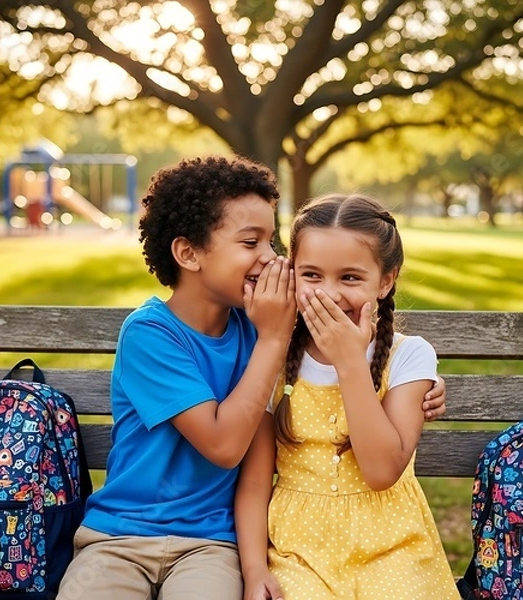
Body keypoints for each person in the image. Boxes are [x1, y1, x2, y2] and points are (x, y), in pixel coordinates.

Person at [57, 157, 446, 600]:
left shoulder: (262, 328)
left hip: (213, 543)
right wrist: (275, 338)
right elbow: (225, 446)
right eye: (251, 242)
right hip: (122, 536)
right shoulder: (185, 335)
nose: (270, 258)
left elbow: (368, 352)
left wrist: (419, 389)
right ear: (188, 253)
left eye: (272, 241)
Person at [235, 193, 459, 600]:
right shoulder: (271, 356)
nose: (329, 294)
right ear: (291, 272)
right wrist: (253, 570)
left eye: (350, 278)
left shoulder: (409, 355)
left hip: (392, 542)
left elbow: (380, 471)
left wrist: (350, 364)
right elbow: (253, 482)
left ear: (386, 280)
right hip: (299, 548)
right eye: (312, 275)